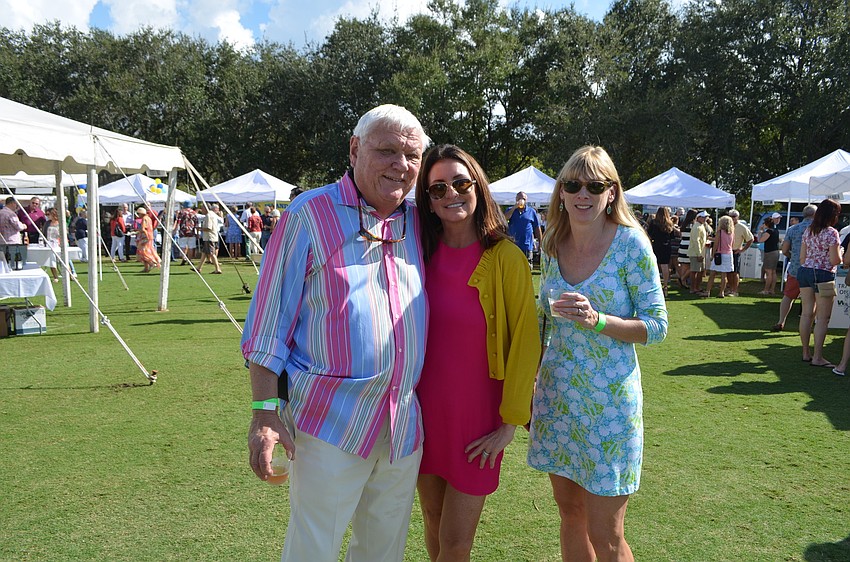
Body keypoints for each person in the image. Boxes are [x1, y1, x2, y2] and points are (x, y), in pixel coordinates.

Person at [242, 104, 430, 561]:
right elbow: (268, 324)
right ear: (354, 149)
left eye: (411, 156)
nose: (400, 166)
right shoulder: (309, 214)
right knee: (313, 550)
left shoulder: (420, 220)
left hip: (402, 424)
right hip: (329, 423)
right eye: (386, 151)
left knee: (384, 552)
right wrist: (265, 413)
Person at [528, 146, 667, 562]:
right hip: (558, 400)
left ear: (612, 192)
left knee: (606, 533)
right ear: (562, 193)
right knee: (570, 515)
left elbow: (657, 326)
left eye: (595, 185)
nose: (582, 194)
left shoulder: (631, 245)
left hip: (608, 408)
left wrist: (598, 320)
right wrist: (530, 386)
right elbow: (542, 322)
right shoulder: (552, 243)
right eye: (573, 185)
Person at [413, 144, 540, 560]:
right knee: (432, 522)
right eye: (438, 189)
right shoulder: (417, 254)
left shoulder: (505, 258)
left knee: (455, 542)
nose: (451, 193)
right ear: (428, 202)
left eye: (461, 182)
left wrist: (510, 422)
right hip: (422, 415)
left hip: (477, 422)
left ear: (478, 187)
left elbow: (525, 343)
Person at [797, 199, 842, 368]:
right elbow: (834, 260)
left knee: (807, 314)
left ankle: (805, 353)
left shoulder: (808, 230)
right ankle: (817, 357)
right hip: (824, 274)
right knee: (823, 318)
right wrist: (841, 253)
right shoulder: (832, 233)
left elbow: (802, 257)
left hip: (805, 272)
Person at [773, 204, 816, 331]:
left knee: (788, 296)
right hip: (815, 268)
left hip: (796, 268)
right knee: (812, 299)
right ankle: (810, 325)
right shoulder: (820, 229)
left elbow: (784, 249)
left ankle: (781, 321)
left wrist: (792, 257)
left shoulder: (792, 229)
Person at [645, 206, 678, 297]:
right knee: (665, 266)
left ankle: (654, 284)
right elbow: (672, 237)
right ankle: (666, 286)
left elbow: (649, 235)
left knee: (654, 265)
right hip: (666, 245)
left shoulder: (653, 222)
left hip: (656, 245)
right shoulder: (670, 223)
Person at [505, 191, 542, 266]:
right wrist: (514, 207)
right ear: (516, 199)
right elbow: (505, 218)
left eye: (523, 199)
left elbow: (537, 228)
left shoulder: (531, 211)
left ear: (526, 200)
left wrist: (540, 244)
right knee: (513, 268)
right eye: (519, 198)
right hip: (513, 246)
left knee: (527, 268)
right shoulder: (510, 210)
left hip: (527, 246)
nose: (521, 200)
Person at [704, 215, 735, 298]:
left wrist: (712, 255)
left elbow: (716, 244)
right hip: (728, 254)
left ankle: (707, 291)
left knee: (712, 274)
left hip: (720, 254)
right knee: (723, 275)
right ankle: (721, 292)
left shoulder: (720, 232)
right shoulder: (731, 232)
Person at [727, 209, 754, 296]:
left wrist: (742, 249)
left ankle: (735, 291)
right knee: (728, 272)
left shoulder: (742, 227)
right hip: (727, 251)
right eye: (731, 216)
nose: (732, 218)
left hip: (735, 251)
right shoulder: (726, 225)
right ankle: (730, 289)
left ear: (738, 217)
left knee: (735, 272)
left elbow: (750, 239)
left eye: (734, 216)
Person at [757, 213, 781, 295]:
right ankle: (772, 290)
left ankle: (766, 290)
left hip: (770, 253)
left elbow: (760, 240)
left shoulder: (769, 231)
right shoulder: (776, 230)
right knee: (773, 272)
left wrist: (760, 232)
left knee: (769, 272)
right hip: (775, 252)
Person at [197, 204, 222, 274]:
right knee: (204, 253)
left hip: (209, 237)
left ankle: (218, 269)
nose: (201, 210)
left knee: (211, 253)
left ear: (206, 208)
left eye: (202, 208)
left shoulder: (208, 215)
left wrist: (200, 229)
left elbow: (208, 228)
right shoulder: (213, 214)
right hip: (210, 237)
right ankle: (199, 267)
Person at [134, 207, 161, 273]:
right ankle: (146, 268)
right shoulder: (149, 218)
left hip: (145, 237)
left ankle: (152, 263)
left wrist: (138, 231)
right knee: (149, 250)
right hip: (150, 236)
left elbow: (143, 228)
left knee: (143, 252)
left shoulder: (144, 219)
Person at [688, 211, 710, 295]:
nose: (705, 219)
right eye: (703, 217)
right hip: (696, 253)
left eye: (706, 217)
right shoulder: (696, 227)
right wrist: (699, 254)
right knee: (694, 271)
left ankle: (697, 287)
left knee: (700, 271)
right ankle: (693, 288)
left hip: (700, 252)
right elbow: (695, 241)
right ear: (698, 217)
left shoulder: (701, 226)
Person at [677, 209, 697, 290]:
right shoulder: (694, 225)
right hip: (689, 246)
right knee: (692, 265)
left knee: (684, 265)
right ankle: (683, 279)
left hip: (682, 245)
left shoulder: (684, 225)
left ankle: (683, 281)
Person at [43, 207, 62, 282]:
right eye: (46, 214)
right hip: (49, 243)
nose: (47, 216)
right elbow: (44, 232)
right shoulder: (47, 223)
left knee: (63, 260)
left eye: (48, 214)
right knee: (52, 260)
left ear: (53, 214)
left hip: (58, 243)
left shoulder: (60, 223)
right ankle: (55, 277)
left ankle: (70, 275)